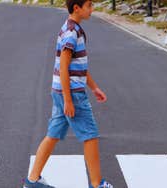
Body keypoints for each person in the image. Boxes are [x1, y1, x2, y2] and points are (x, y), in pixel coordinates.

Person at [22, 0, 113, 187]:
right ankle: (97, 184)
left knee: (53, 134)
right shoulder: (72, 32)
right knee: (90, 136)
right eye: (89, 5)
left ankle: (33, 180)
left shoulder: (70, 28)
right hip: (71, 93)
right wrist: (69, 99)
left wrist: (94, 87)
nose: (92, 9)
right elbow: (64, 67)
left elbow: (78, 66)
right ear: (77, 8)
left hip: (60, 91)